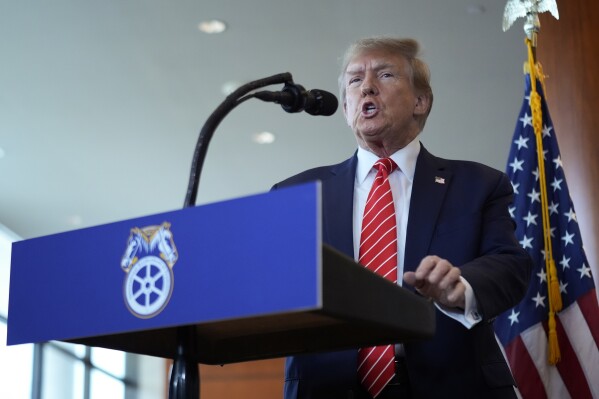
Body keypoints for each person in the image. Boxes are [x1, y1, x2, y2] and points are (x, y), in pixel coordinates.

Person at [272, 37, 532, 399]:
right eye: (354, 80)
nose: (367, 86)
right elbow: (272, 283)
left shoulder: (478, 185)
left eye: (385, 74)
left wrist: (461, 288)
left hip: (453, 386)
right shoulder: (294, 195)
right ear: (346, 107)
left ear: (421, 101)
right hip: (327, 388)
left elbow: (510, 264)